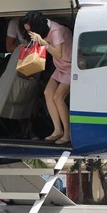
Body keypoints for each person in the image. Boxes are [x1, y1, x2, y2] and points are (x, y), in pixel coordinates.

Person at [22, 11, 73, 145]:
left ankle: (67, 133)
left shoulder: (56, 31)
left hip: (70, 66)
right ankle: (57, 130)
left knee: (58, 97)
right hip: (60, 66)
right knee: (47, 93)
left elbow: (58, 53)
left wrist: (42, 42)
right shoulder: (45, 30)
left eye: (30, 30)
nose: (29, 33)